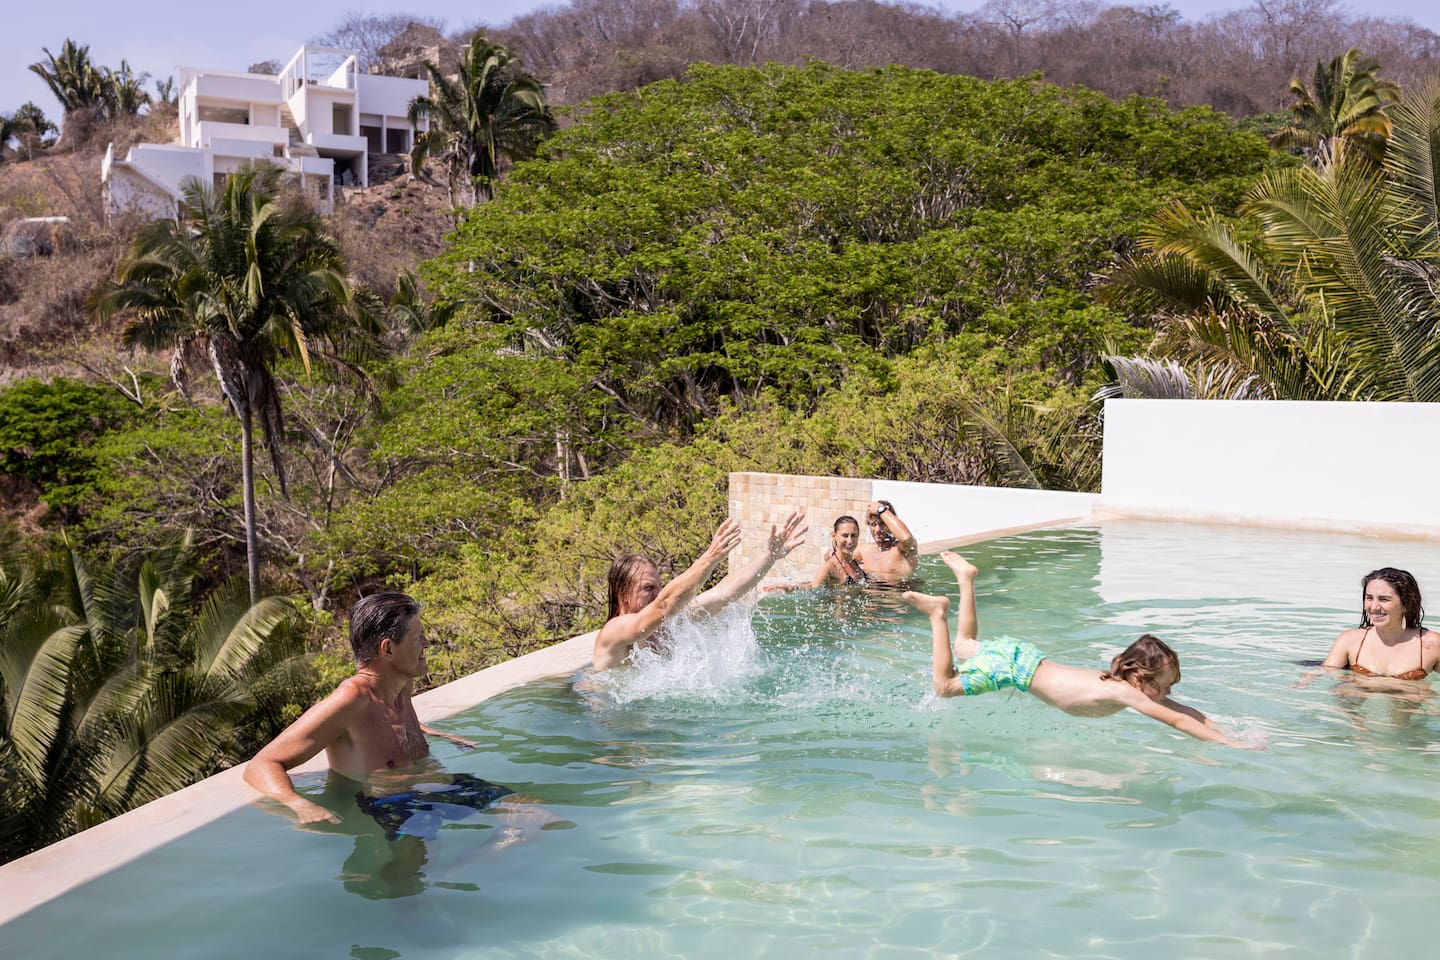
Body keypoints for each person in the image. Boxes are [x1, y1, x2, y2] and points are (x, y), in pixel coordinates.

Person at [903, 551, 1250, 748]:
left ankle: (966, 578)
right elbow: (1176, 719)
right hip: (1014, 668)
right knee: (944, 686)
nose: (1170, 692)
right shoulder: (1126, 693)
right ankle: (937, 614)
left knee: (964, 645)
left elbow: (1182, 709)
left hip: (1023, 657)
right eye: (1165, 684)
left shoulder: (1121, 684)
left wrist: (1224, 729)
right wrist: (1231, 746)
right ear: (1140, 677)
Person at [244, 592, 492, 825]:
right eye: (418, 637)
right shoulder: (351, 701)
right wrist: (298, 804)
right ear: (388, 649)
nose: (427, 644)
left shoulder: (401, 684)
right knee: (427, 855)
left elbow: (391, 725)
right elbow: (261, 765)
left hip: (438, 789)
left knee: (515, 808)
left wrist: (435, 733)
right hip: (390, 806)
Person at [593, 510, 808, 672]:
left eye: (659, 587)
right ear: (623, 595)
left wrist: (770, 557)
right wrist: (710, 557)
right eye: (648, 588)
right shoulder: (615, 631)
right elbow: (664, 604)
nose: (657, 594)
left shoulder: (667, 626)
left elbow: (723, 593)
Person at [1318, 567, 1439, 682]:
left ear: (1406, 604)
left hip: (1409, 696)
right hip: (1356, 694)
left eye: (1384, 599)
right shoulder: (1349, 640)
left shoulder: (1432, 644)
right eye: (1369, 598)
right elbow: (1322, 673)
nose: (1374, 607)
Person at [853, 499, 918, 584]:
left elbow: (906, 539)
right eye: (873, 524)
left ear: (890, 524)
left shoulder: (901, 550)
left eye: (882, 524)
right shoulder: (863, 550)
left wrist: (881, 510)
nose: (877, 530)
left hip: (896, 592)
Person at [810, 515, 865, 586]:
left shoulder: (854, 563)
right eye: (845, 535)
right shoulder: (830, 567)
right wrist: (795, 587)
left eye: (853, 535)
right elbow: (812, 587)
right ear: (834, 536)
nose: (850, 541)